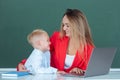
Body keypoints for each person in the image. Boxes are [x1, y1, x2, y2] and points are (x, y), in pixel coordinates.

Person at [17, 9, 95, 75]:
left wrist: (80, 71)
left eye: (67, 25)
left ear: (78, 26)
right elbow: (39, 51)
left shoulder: (89, 48)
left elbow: (91, 71)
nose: (64, 28)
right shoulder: (57, 38)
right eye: (63, 25)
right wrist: (23, 63)